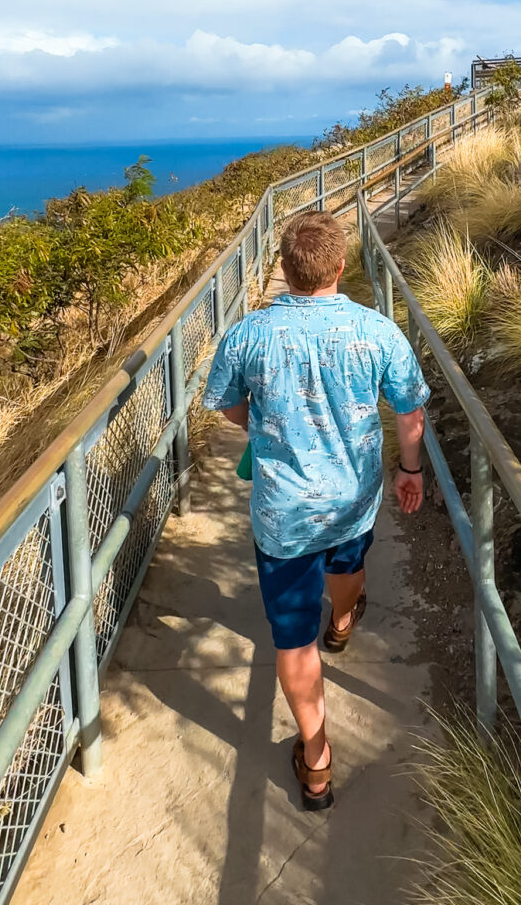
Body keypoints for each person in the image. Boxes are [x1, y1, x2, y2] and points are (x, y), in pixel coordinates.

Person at [202, 210, 429, 810]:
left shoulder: (248, 334)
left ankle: (318, 759)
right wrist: (410, 469)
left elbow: (224, 403)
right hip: (352, 498)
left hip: (283, 514)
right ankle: (346, 620)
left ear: (283, 266)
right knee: (347, 567)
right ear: (339, 266)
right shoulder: (377, 331)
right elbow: (410, 411)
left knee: (293, 642)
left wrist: (260, 429)